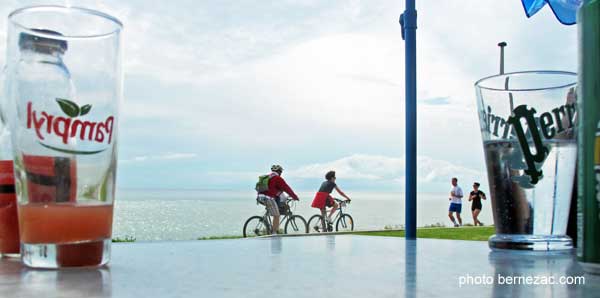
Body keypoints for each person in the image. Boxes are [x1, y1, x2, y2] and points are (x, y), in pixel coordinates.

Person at [257, 165, 299, 235]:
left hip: (260, 197)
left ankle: (270, 227)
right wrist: (295, 197)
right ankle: (274, 233)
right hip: (268, 198)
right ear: (279, 172)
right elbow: (287, 188)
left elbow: (274, 190)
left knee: (274, 210)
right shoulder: (277, 178)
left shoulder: (267, 177)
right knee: (277, 215)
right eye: (281, 172)